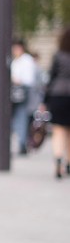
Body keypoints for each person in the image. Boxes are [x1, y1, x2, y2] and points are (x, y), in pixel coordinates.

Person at [44, 28, 70, 178]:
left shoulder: (58, 56)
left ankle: (58, 160)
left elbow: (51, 78)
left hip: (58, 96)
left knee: (58, 130)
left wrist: (44, 101)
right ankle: (69, 163)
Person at [11, 39, 36, 154]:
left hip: (23, 92)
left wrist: (16, 80)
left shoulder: (26, 60)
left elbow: (29, 80)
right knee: (18, 118)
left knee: (21, 117)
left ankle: (22, 143)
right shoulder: (15, 60)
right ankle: (22, 142)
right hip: (16, 92)